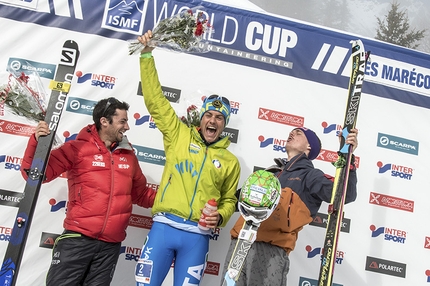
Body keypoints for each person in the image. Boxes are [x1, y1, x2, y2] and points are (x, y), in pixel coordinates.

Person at [134, 31, 241, 286]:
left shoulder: (230, 161)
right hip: (163, 228)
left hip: (197, 236)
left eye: (219, 117)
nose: (212, 120)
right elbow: (156, 101)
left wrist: (221, 217)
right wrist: (147, 55)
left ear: (224, 125)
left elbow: (228, 201)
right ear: (201, 119)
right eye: (209, 115)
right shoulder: (178, 134)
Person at [20, 97, 156, 285]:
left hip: (110, 246)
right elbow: (35, 175)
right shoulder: (77, 149)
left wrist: (176, 200)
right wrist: (36, 142)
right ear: (104, 121)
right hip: (77, 240)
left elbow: (141, 194)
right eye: (123, 121)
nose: (127, 127)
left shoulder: (128, 156)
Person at [222, 127, 359, 286]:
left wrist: (347, 157)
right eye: (292, 132)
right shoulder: (270, 173)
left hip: (269, 250)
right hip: (239, 245)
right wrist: (216, 212)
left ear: (309, 147)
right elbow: (236, 201)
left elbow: (345, 194)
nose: (292, 133)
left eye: (299, 133)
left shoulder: (310, 176)